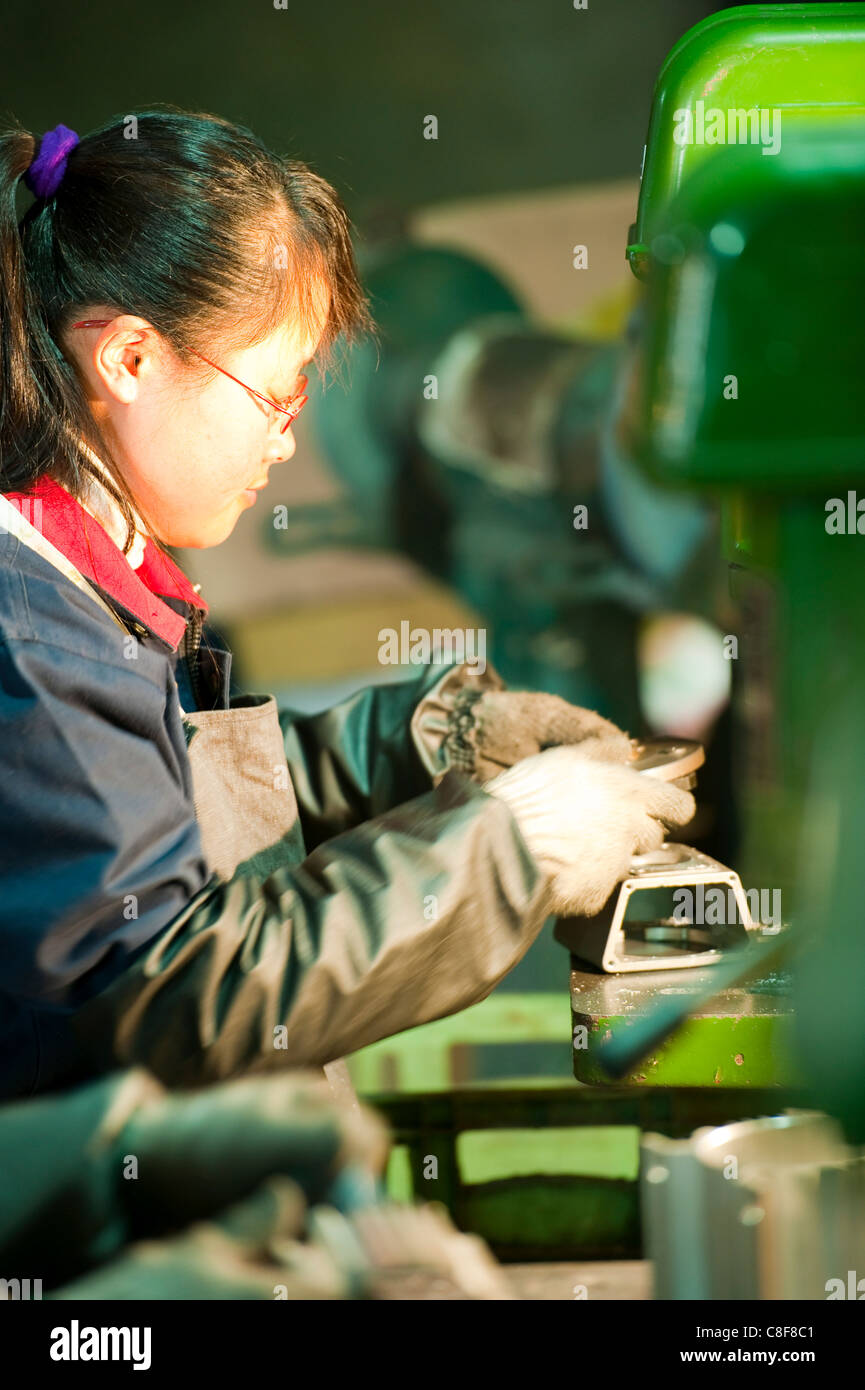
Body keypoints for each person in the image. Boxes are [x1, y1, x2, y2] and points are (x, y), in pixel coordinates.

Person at [0, 107, 694, 1100]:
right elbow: (178, 995)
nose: (285, 442)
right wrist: (507, 852)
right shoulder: (27, 632)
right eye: (275, 397)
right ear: (131, 360)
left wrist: (428, 746)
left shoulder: (87, 573)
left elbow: (166, 810)